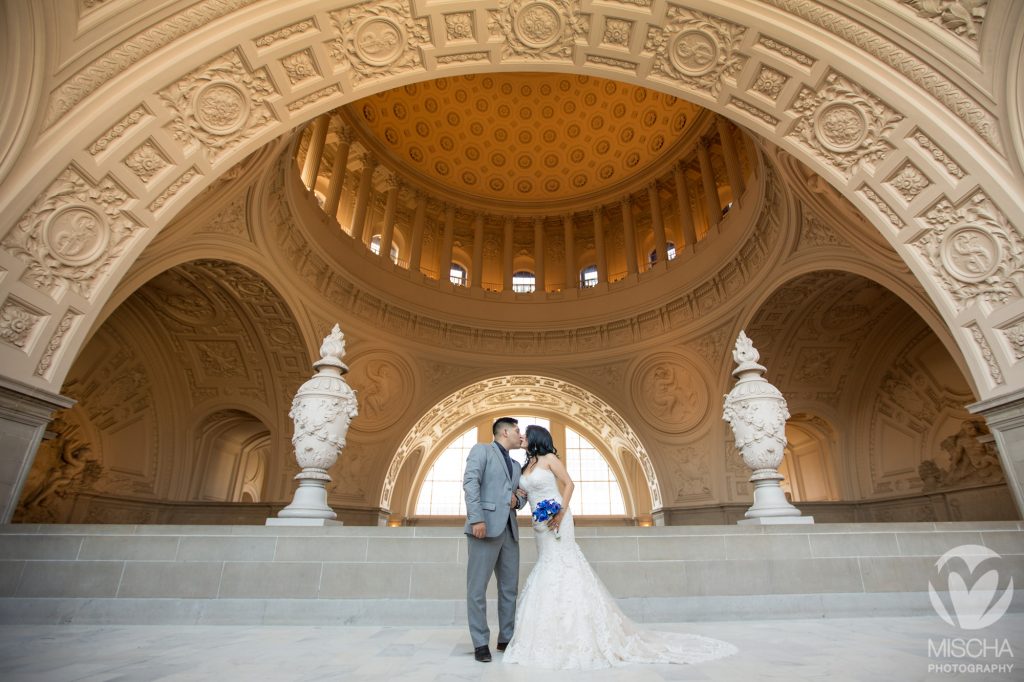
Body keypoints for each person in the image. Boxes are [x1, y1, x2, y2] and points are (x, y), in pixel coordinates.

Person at [503, 425, 738, 670]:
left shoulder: (550, 459)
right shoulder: (524, 466)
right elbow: (523, 493)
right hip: (539, 525)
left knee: (564, 565)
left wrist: (561, 512)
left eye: (526, 435)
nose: (522, 437)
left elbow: (570, 484)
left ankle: (581, 633)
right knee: (547, 565)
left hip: (559, 519)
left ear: (537, 439)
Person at [463, 416, 527, 663]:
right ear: (505, 432)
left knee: (509, 588)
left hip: (510, 530)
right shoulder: (482, 451)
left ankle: (505, 639)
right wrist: (476, 518)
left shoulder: (516, 465)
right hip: (484, 527)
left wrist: (517, 501)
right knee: (477, 588)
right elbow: (471, 483)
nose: (520, 435)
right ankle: (480, 642)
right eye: (517, 431)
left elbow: (521, 495)